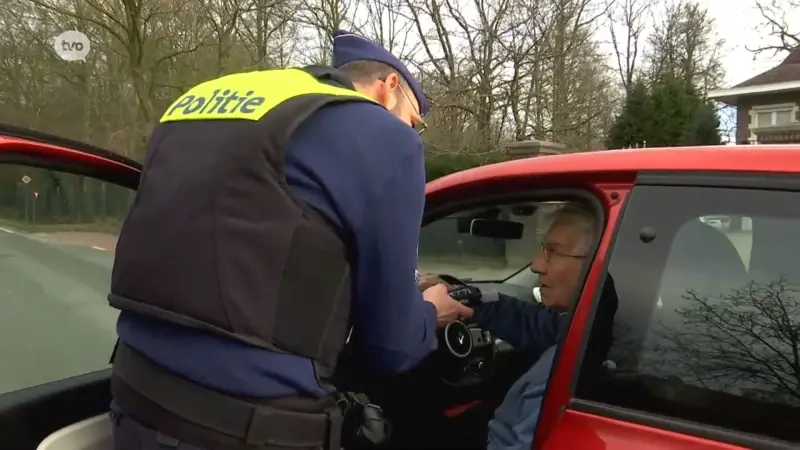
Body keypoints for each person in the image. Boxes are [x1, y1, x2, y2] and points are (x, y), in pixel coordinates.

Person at [106, 29, 463, 450]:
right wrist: (431, 311)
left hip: (133, 399)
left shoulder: (202, 98)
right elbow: (392, 349)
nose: (411, 133)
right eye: (414, 122)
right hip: (249, 429)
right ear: (390, 87)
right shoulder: (385, 137)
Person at [421, 202, 604, 449]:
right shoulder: (587, 326)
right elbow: (533, 323)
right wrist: (464, 298)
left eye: (553, 251)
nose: (536, 265)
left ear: (596, 263)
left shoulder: (561, 374)